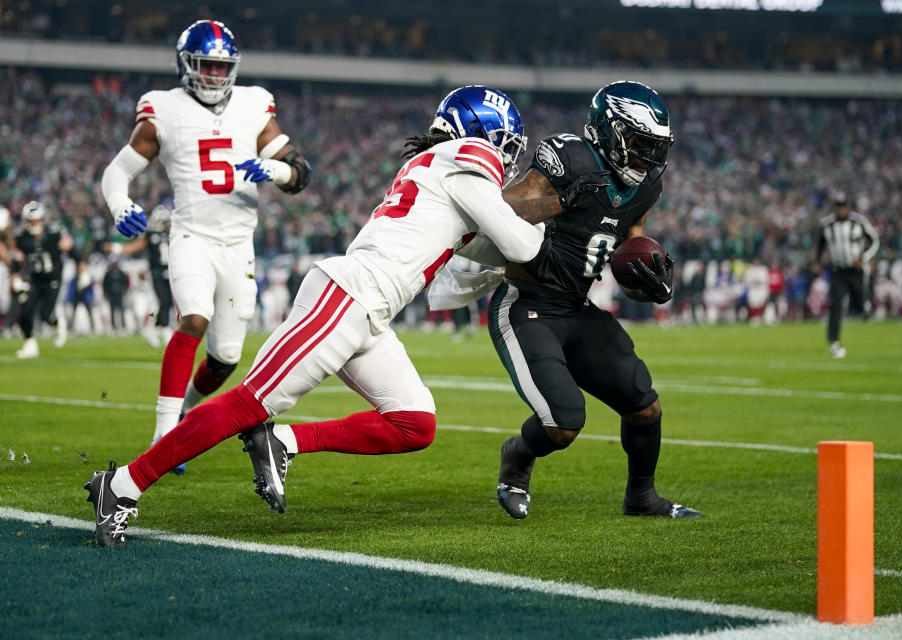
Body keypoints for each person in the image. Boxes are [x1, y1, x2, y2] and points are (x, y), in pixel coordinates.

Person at [84, 85, 556, 548]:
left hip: (369, 308)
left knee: (414, 422)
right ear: (481, 133)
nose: (506, 155)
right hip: (350, 295)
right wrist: (559, 213)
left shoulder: (440, 170)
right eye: (506, 143)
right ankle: (122, 484)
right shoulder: (468, 155)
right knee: (248, 404)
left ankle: (282, 442)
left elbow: (484, 257)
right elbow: (521, 245)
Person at [99, 20, 312, 472]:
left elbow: (299, 172)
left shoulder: (255, 105)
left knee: (226, 357)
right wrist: (119, 205)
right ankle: (163, 436)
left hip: (239, 243)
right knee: (194, 317)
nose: (215, 75)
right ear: (186, 65)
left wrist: (276, 172)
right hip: (191, 235)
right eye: (207, 66)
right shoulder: (164, 109)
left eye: (221, 66)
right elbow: (117, 172)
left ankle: (185, 412)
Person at [487, 81, 702, 520]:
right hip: (527, 305)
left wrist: (648, 281)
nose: (649, 159)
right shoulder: (571, 161)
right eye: (641, 145)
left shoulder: (643, 189)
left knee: (645, 405)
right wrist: (558, 196)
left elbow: (629, 246)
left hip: (577, 307)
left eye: (655, 148)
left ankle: (641, 497)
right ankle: (517, 459)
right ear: (610, 132)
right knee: (563, 423)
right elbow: (498, 212)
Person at [815, 191, 879, 359]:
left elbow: (875, 241)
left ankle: (864, 309)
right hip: (838, 270)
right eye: (838, 206)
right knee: (835, 304)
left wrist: (863, 257)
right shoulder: (827, 225)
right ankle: (834, 339)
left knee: (859, 305)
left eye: (843, 206)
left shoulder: (858, 222)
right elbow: (820, 245)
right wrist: (818, 262)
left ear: (849, 207)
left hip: (855, 270)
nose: (841, 209)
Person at [12, 201, 74, 359]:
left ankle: (58, 323)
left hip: (52, 278)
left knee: (45, 315)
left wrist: (81, 267)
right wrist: (16, 277)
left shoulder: (54, 233)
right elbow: (16, 259)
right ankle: (30, 345)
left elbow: (71, 248)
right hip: (34, 279)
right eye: (31, 220)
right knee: (25, 312)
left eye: (37, 219)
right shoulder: (22, 238)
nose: (34, 223)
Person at [108, 205, 175, 347]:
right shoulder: (151, 235)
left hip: (169, 272)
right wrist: (116, 248)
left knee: (168, 302)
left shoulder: (172, 234)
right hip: (156, 272)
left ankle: (161, 328)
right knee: (159, 302)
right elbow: (135, 247)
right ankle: (154, 329)